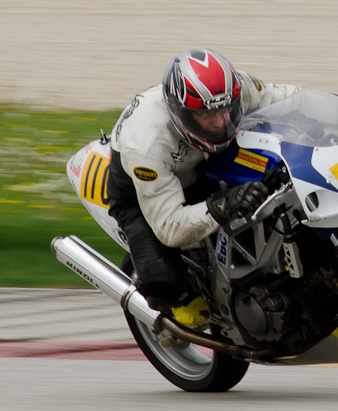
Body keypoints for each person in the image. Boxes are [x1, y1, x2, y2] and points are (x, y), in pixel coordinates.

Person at [107, 48, 300, 326]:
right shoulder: (147, 146)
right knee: (164, 282)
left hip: (203, 161)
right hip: (142, 192)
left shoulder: (236, 89)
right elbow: (170, 227)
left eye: (226, 109)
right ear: (180, 113)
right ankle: (179, 300)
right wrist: (225, 204)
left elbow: (286, 98)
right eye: (207, 115)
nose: (221, 121)